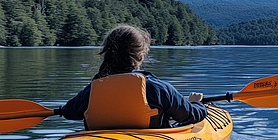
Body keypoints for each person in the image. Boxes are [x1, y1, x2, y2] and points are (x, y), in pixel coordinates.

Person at [58, 24, 207, 129]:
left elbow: (69, 112)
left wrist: (61, 110)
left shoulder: (94, 89)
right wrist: (196, 104)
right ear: (141, 56)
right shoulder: (157, 88)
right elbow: (189, 115)